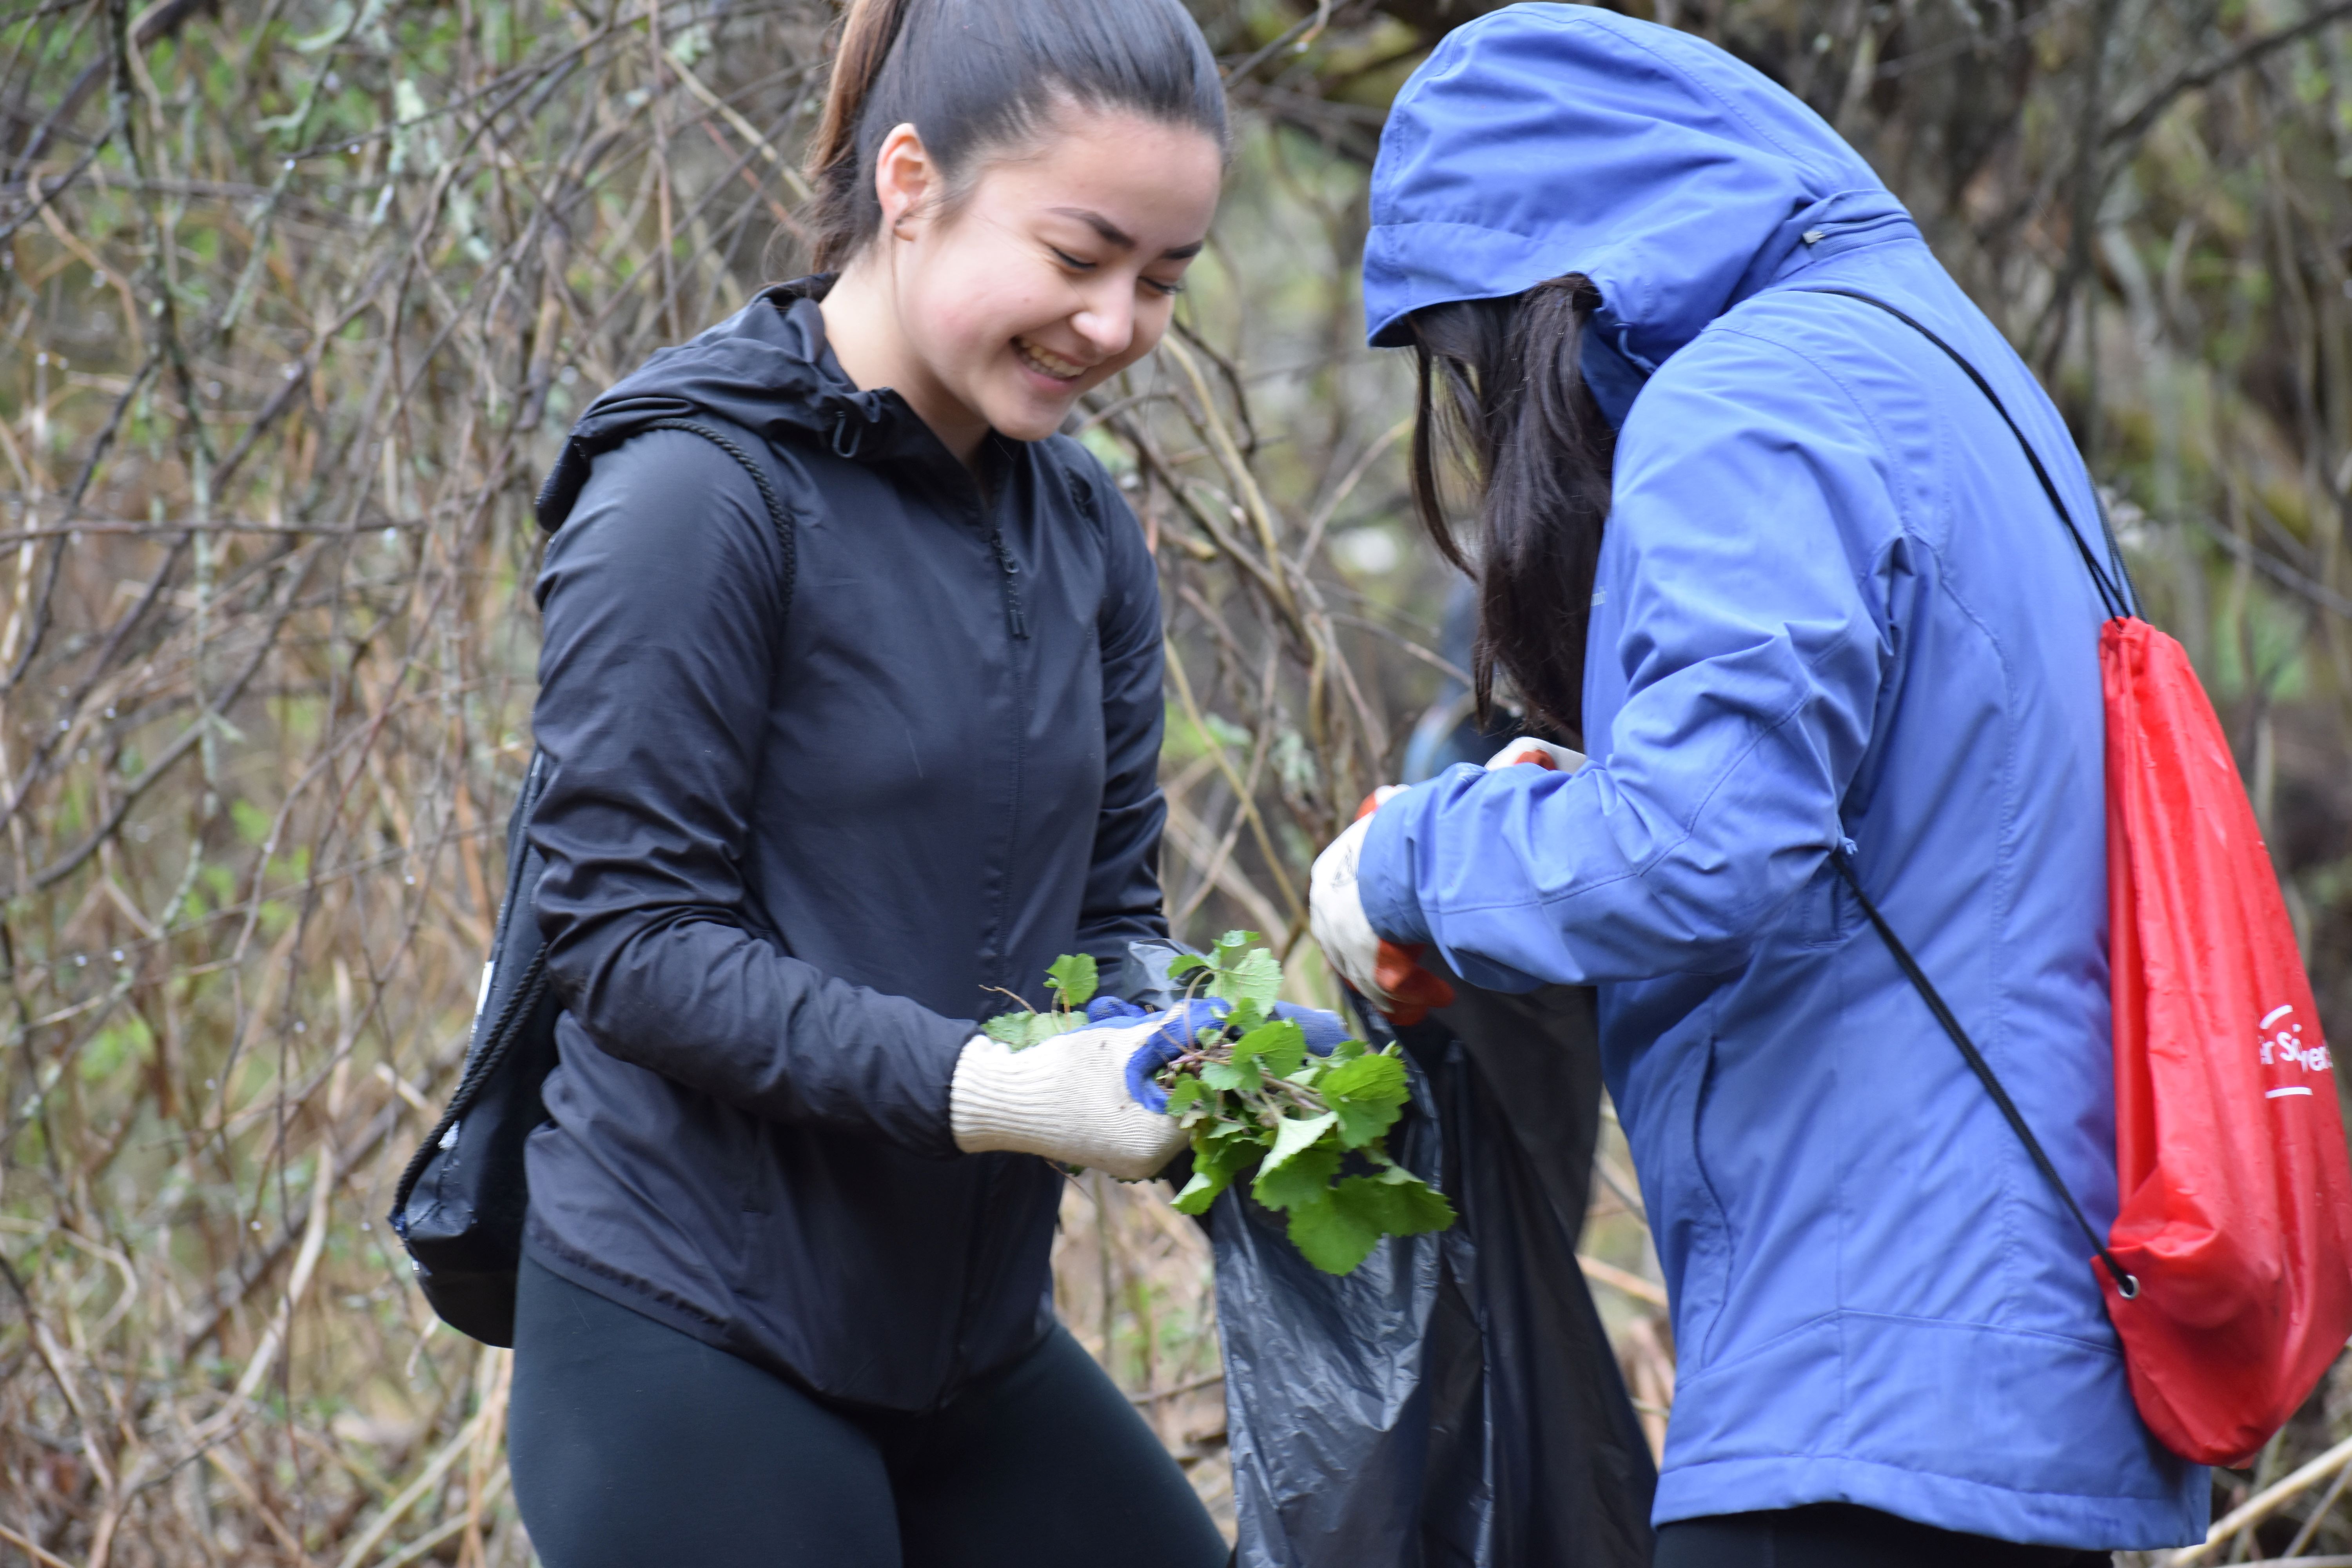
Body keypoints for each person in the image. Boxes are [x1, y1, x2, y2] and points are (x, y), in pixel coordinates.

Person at [1307, 8, 2210, 1566]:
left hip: (1870, 1373)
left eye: (1472, 359)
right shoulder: (1935, 361)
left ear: (1545, 290)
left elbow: (1704, 841)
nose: (1490, 411)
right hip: (2009, 1346)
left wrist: (1411, 860)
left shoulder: (1747, 399)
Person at [501, 2, 1254, 1563]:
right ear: (911, 179)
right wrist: (987, 1089)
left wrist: (1206, 1053)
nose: (1116, 324)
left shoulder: (1084, 531)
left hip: (970, 1346)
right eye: (1080, 255)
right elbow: (627, 941)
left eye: (1163, 279)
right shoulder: (699, 491)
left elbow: (1111, 907)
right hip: (696, 1323)